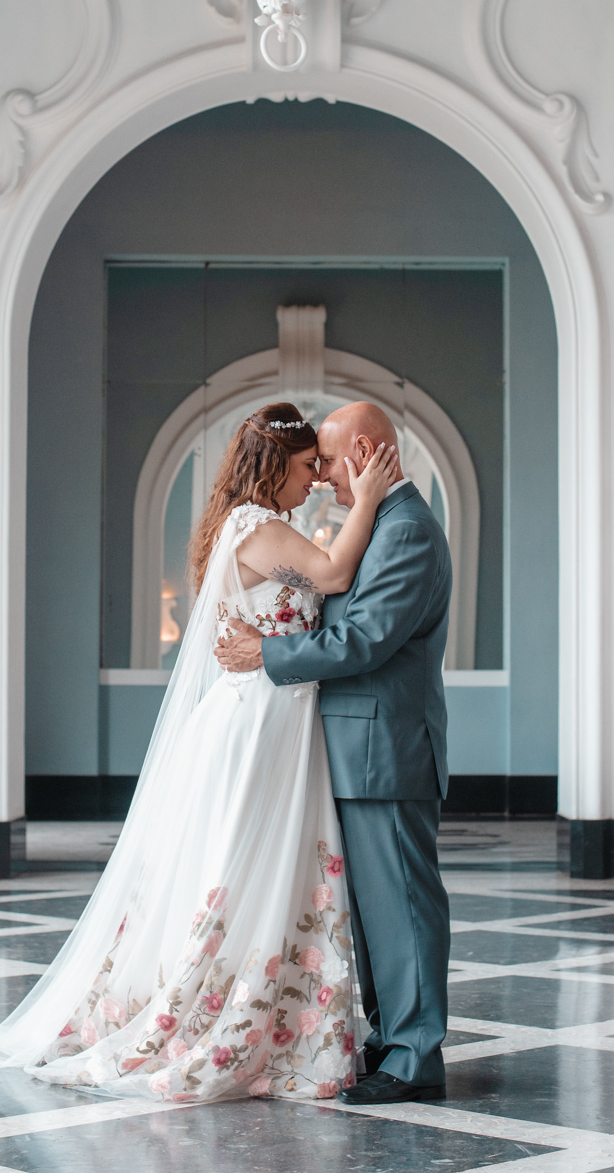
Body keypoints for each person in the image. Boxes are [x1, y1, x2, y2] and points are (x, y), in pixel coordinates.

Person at [0, 401, 398, 1103]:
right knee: (244, 862)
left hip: (282, 717)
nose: (316, 479)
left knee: (277, 867)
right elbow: (335, 576)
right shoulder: (255, 526)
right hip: (258, 723)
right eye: (309, 465)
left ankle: (279, 1023)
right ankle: (225, 1018)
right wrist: (366, 497)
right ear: (274, 465)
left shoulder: (261, 525)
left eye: (321, 466)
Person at [215, 400, 452, 1106]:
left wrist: (267, 653)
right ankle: (391, 1042)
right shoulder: (381, 523)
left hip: (385, 750)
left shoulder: (406, 530)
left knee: (403, 907)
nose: (322, 477)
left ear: (366, 453)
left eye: (328, 461)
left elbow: (364, 640)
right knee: (377, 912)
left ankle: (414, 1059)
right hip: (357, 749)